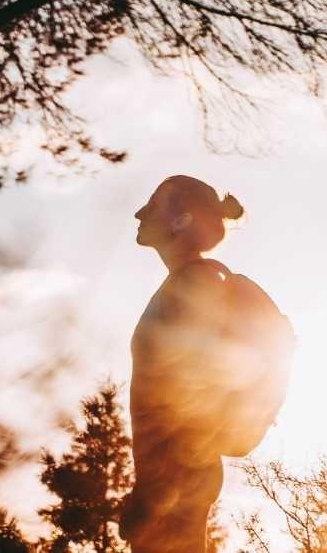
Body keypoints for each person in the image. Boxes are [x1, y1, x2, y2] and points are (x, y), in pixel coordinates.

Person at [121, 176, 294, 553]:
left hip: (176, 484)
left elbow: (188, 394)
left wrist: (155, 493)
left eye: (152, 204)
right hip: (175, 481)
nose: (139, 213)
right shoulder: (188, 282)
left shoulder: (194, 285)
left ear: (180, 221)